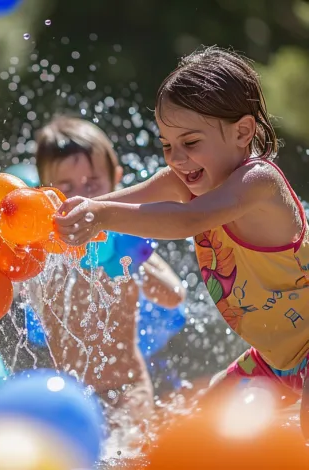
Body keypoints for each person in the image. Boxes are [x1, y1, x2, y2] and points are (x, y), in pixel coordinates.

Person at [53, 46, 309, 435]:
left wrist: (101, 215)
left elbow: (188, 220)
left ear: (242, 132)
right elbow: (145, 192)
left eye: (190, 143)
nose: (177, 159)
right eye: (167, 145)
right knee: (196, 438)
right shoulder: (189, 178)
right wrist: (87, 207)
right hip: (275, 359)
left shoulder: (259, 183)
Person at [29, 115, 185, 434]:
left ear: (116, 180)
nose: (81, 197)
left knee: (130, 455)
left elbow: (173, 294)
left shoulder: (126, 236)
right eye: (66, 187)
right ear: (44, 191)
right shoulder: (44, 249)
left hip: (127, 387)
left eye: (92, 184)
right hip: (66, 394)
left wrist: (134, 260)